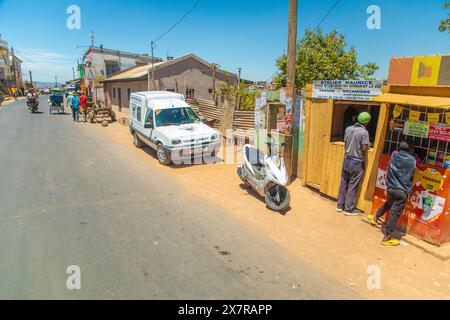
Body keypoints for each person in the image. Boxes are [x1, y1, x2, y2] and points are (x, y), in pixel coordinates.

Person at [368, 141, 416, 246]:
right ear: (410, 150)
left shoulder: (394, 155)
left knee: (389, 203)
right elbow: (412, 173)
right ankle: (387, 236)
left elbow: (389, 169)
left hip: (391, 187)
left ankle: (376, 217)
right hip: (402, 190)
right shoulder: (412, 160)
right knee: (395, 213)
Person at [336, 111, 371, 216]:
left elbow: (346, 143)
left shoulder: (348, 129)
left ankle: (339, 206)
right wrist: (369, 145)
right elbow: (364, 148)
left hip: (346, 160)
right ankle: (349, 209)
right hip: (357, 162)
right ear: (366, 122)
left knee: (343, 183)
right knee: (352, 185)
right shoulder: (364, 132)